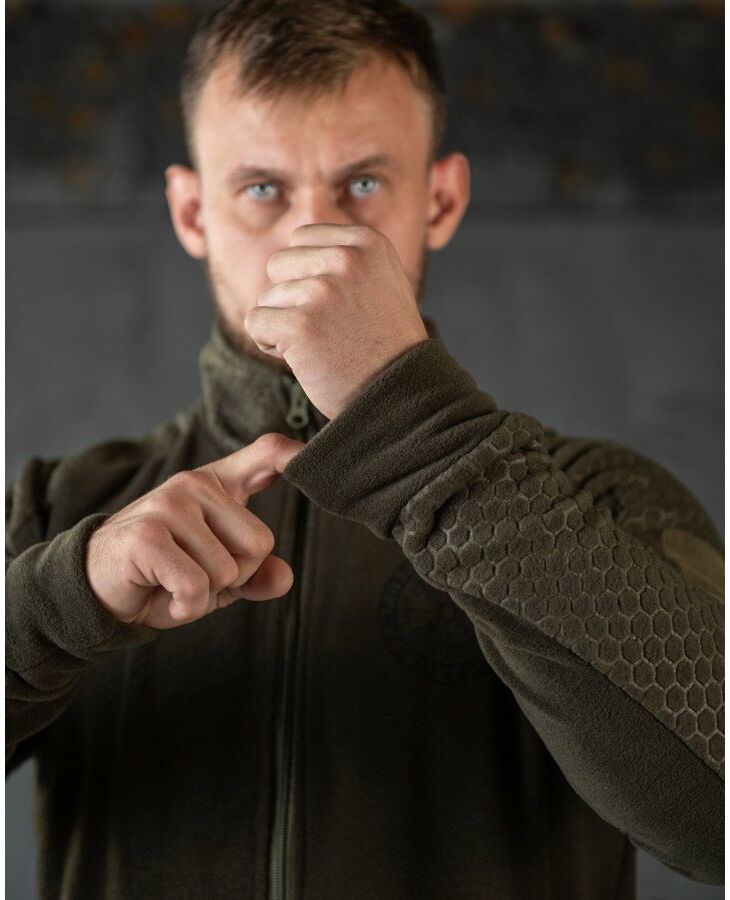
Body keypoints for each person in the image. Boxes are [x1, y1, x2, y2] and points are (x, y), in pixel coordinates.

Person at [6, 0, 724, 897]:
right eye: (262, 189)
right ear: (192, 213)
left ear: (441, 200)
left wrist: (419, 432)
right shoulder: (56, 512)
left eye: (365, 185)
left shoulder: (606, 496)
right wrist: (63, 600)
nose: (315, 238)